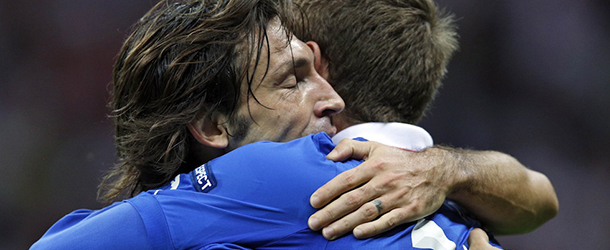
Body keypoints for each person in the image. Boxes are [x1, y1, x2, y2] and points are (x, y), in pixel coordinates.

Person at [30, 0, 554, 249]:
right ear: (211, 123)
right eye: (293, 77)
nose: (330, 98)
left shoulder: (286, 174)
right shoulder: (432, 188)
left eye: (310, 70)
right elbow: (539, 200)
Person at [292, 0, 559, 240]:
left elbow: (545, 199)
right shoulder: (465, 209)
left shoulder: (281, 179)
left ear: (313, 63)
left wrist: (446, 169)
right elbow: (544, 201)